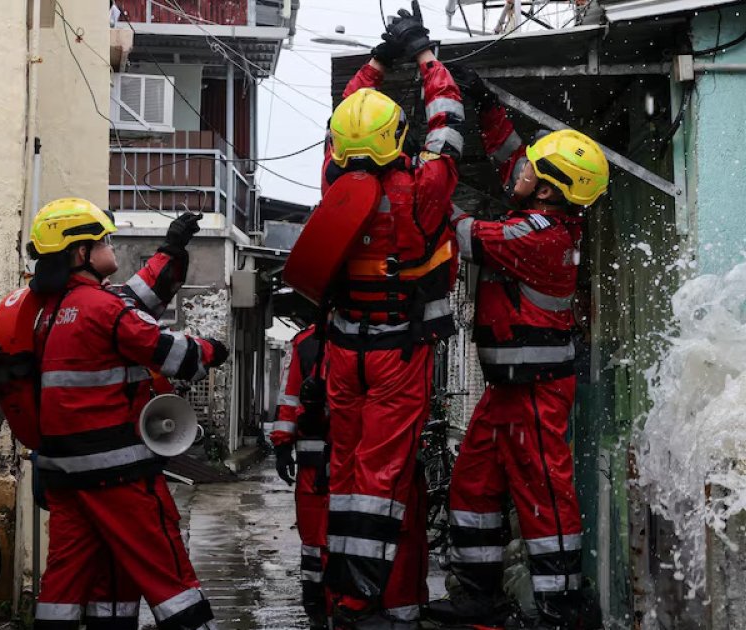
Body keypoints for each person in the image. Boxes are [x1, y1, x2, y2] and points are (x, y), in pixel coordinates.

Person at [424, 66, 610, 629]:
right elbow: (514, 160)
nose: (520, 167)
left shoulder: (536, 235)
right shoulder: (541, 213)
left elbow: (459, 229)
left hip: (535, 392)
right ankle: (480, 597)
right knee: (473, 485)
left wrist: (426, 175)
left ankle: (561, 608)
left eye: (533, 168)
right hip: (508, 390)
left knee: (544, 495)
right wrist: (487, 108)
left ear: (547, 188)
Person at [319, 3, 464, 627]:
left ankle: (372, 598)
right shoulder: (422, 188)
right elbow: (447, 120)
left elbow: (345, 112)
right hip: (398, 352)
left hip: (343, 349)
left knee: (351, 471)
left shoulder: (332, 181)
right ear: (395, 139)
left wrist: (377, 60)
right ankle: (360, 601)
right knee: (382, 478)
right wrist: (424, 54)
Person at [25, 198, 228, 630]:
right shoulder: (105, 309)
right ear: (81, 254)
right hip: (120, 475)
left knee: (69, 580)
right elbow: (173, 355)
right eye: (103, 240)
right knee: (167, 572)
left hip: (64, 474)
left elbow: (135, 296)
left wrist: (172, 248)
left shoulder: (49, 312)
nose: (110, 245)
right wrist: (212, 349)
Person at [271, 323, 331, 629]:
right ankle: (319, 604)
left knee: (323, 536)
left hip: (324, 460)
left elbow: (289, 396)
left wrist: (284, 444)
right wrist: (282, 445)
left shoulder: (307, 342)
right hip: (322, 461)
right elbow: (290, 396)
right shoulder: (307, 342)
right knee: (315, 537)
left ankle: (323, 603)